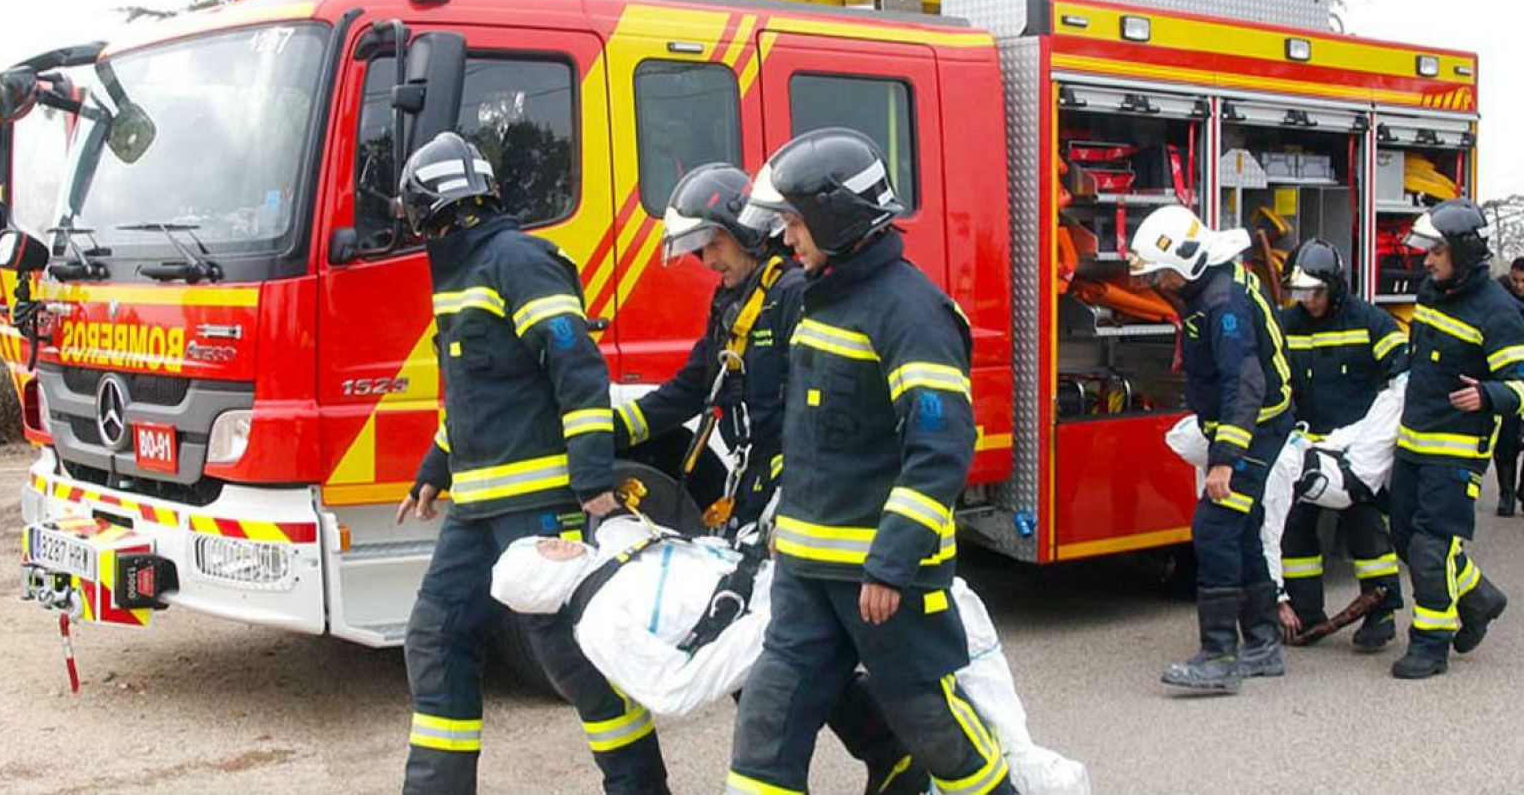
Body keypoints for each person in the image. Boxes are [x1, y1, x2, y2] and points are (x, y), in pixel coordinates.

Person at [722, 128, 1012, 795]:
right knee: (768, 722)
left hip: (885, 580)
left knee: (930, 722)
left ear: (835, 217)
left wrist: (890, 561)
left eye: (795, 222)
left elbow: (940, 449)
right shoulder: (813, 296)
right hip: (804, 572)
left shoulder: (913, 314)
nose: (786, 238)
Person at [393, 132, 668, 794]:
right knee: (434, 634)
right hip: (478, 510)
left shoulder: (519, 261)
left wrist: (592, 480)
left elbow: (577, 369)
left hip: (540, 505)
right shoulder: (461, 277)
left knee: (569, 657)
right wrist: (435, 465)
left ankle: (639, 786)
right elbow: (473, 394)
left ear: (432, 209)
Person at [489, 516, 1091, 795]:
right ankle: (1009, 764)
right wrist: (761, 634)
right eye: (546, 549)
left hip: (785, 584)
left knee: (955, 611)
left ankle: (964, 759)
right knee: (936, 625)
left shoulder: (618, 541)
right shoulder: (601, 626)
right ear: (541, 582)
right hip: (779, 613)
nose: (557, 541)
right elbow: (673, 690)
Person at [1128, 206, 1291, 692]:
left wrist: (1224, 459)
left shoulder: (1222, 304)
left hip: (1255, 427)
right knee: (1239, 532)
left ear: (1187, 260)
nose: (1159, 284)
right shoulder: (1213, 287)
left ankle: (1219, 656)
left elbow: (1246, 384)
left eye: (1162, 274)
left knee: (1215, 527)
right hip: (1253, 424)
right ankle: (1262, 645)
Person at [614, 163, 804, 530]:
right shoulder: (731, 305)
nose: (709, 261)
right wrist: (607, 432)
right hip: (754, 479)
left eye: (714, 244)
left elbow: (811, 412)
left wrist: (792, 496)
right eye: (701, 251)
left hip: (790, 486)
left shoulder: (791, 295)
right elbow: (688, 390)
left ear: (747, 231)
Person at [1386, 199, 1517, 679]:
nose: (1427, 259)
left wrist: (1489, 394)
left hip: (1458, 450)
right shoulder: (1431, 292)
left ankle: (1430, 645)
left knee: (1431, 547)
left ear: (1462, 251)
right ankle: (1479, 596)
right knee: (1403, 535)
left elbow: (1521, 383)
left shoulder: (1499, 312)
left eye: (1436, 250)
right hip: (1415, 439)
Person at [1275, 239, 1407, 651]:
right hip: (1305, 447)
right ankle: (1305, 613)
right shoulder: (1287, 325)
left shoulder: (1370, 321)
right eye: (1300, 293)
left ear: (1335, 286)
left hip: (1355, 452)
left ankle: (1380, 615)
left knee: (1366, 530)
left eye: (1314, 292)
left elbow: (1402, 374)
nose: (1307, 301)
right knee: (1295, 532)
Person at [1489, 256, 1524, 516]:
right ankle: (1507, 493)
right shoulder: (1498, 299)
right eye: (1516, 280)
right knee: (1507, 440)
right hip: (1509, 374)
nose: (1520, 286)